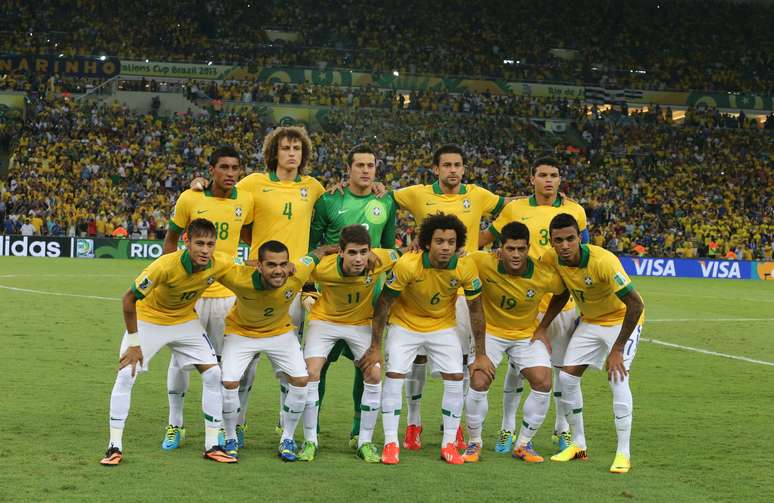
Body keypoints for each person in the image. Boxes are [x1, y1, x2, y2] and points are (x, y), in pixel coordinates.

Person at [390, 144, 507, 451]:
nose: (453, 170)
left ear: (463, 169)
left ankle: (452, 428)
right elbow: (383, 200)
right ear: (436, 169)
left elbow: (511, 210)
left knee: (464, 359)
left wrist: (488, 240)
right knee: (417, 357)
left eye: (458, 165)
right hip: (425, 285)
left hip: (462, 289)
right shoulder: (416, 194)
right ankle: (413, 423)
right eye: (447, 165)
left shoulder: (479, 195)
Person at [100, 219, 241, 466]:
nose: (205, 250)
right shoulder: (164, 266)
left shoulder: (219, 263)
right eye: (199, 243)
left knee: (213, 374)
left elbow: (247, 269)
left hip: (185, 321)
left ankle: (213, 445)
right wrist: (134, 343)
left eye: (210, 244)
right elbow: (128, 299)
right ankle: (114, 447)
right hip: (149, 320)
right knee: (126, 374)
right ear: (186, 242)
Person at [361, 213, 494, 465]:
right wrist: (376, 346)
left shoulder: (465, 266)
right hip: (405, 325)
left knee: (455, 377)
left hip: (442, 326)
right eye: (440, 241)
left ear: (458, 245)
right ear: (427, 243)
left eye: (451, 242)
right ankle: (391, 442)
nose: (445, 247)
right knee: (395, 375)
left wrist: (481, 354)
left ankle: (449, 445)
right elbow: (384, 304)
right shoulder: (408, 265)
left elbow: (476, 309)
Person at [480, 156, 588, 453]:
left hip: (560, 302)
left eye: (554, 174)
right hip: (524, 302)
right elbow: (490, 239)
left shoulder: (574, 210)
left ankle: (562, 430)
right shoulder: (516, 209)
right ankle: (506, 428)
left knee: (563, 371)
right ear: (532, 179)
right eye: (543, 175)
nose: (549, 180)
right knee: (518, 369)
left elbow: (585, 250)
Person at [161, 145, 254, 450]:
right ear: (211, 170)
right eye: (224, 167)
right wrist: (168, 278)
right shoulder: (191, 198)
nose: (230, 173)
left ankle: (233, 426)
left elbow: (254, 236)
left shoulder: (247, 199)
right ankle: (175, 424)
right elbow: (172, 238)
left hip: (227, 296)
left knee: (232, 366)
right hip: (191, 296)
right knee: (180, 362)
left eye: (235, 168)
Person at [538, 213, 645, 474]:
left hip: (621, 320)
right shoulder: (554, 259)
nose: (565, 245)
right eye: (559, 240)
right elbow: (562, 293)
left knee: (618, 377)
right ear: (551, 242)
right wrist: (541, 328)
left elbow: (635, 304)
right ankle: (578, 444)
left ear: (580, 238)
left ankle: (623, 453)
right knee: (567, 379)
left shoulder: (604, 262)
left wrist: (617, 349)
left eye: (570, 239)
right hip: (591, 321)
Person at [308, 144, 398, 447]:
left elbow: (388, 248)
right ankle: (313, 425)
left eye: (371, 165)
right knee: (320, 366)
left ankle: (359, 429)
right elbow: (313, 246)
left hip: (369, 298)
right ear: (348, 169)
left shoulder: (385, 201)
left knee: (367, 365)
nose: (366, 170)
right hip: (332, 295)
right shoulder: (329, 201)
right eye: (359, 165)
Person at [217, 240, 336, 462]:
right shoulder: (238, 277)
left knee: (301, 380)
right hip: (242, 333)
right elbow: (213, 264)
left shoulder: (297, 273)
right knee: (229, 382)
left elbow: (319, 252)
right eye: (271, 265)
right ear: (259, 266)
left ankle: (287, 438)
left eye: (283, 264)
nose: (278, 271)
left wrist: (347, 248)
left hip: (280, 333)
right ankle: (231, 437)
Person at [462, 222, 566, 463]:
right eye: (511, 248)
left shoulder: (543, 274)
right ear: (501, 248)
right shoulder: (482, 261)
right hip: (490, 333)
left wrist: (543, 328)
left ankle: (523, 444)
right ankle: (474, 443)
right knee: (478, 379)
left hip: (525, 334)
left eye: (521, 249)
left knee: (543, 381)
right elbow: (456, 261)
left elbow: (562, 292)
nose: (516, 254)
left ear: (529, 247)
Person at [302, 224, 401, 462]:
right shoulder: (324, 268)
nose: (359, 259)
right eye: (353, 252)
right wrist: (316, 254)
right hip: (325, 321)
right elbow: (296, 269)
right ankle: (309, 440)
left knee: (375, 374)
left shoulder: (380, 260)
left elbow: (405, 253)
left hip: (360, 323)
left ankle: (364, 441)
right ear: (341, 253)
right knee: (311, 373)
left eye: (363, 252)